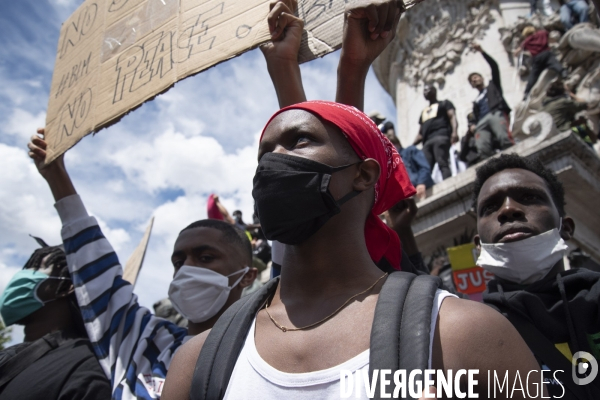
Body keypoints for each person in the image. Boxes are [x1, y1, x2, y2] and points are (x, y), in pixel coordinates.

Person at [162, 2, 543, 399]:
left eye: (298, 143)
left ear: (364, 175)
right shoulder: (196, 363)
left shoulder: (461, 335)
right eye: (264, 154)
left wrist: (350, 67)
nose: (275, 161)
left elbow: (344, 141)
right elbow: (338, 144)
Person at [27, 131, 258, 399]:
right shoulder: (142, 341)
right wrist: (56, 175)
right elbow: (95, 269)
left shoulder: (264, 354)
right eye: (178, 261)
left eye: (205, 258)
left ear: (248, 276)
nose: (186, 270)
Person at [473, 154, 600, 399]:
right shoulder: (470, 335)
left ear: (566, 228)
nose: (508, 210)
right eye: (490, 207)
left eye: (529, 197)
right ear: (479, 245)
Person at [0, 243, 111, 399]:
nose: (24, 275)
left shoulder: (83, 370)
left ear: (67, 287)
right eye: (28, 268)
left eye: (39, 268)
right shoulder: (15, 355)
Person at [468, 43, 513, 161]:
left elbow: (494, 66)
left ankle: (513, 159)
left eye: (476, 77)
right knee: (482, 147)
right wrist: (472, 125)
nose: (474, 80)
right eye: (472, 80)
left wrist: (482, 52)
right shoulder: (476, 101)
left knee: (504, 138)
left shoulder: (493, 87)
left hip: (495, 113)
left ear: (482, 78)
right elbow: (473, 118)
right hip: (481, 122)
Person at [413, 84, 458, 180]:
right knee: (425, 167)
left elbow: (452, 117)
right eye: (424, 91)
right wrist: (411, 145)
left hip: (441, 136)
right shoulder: (424, 112)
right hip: (427, 142)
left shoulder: (444, 103)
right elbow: (420, 133)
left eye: (427, 89)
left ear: (434, 91)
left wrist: (454, 132)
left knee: (442, 162)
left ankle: (449, 182)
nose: (425, 92)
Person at [383, 121, 433, 200]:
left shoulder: (410, 151)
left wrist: (421, 183)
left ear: (397, 144)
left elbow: (424, 167)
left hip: (422, 191)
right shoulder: (389, 165)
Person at [514, 26, 566, 99]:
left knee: (533, 75)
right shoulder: (542, 33)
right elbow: (551, 40)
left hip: (537, 58)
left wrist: (516, 54)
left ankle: (526, 92)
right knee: (555, 63)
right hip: (546, 54)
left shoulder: (526, 41)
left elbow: (518, 51)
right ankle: (563, 73)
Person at [541, 80, 597, 145]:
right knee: (581, 130)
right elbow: (585, 104)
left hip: (550, 139)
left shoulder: (543, 108)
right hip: (565, 134)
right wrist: (571, 94)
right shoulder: (562, 102)